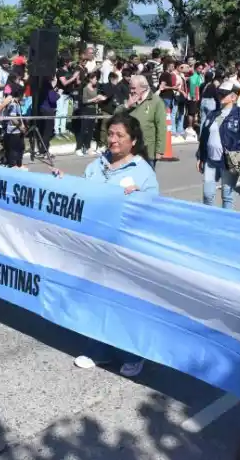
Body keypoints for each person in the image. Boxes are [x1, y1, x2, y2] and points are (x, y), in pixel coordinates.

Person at [57, 113, 158, 378]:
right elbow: (82, 191)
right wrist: (62, 180)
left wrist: (137, 200)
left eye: (119, 135)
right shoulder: (97, 164)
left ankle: (133, 354)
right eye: (110, 134)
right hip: (94, 245)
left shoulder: (142, 172)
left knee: (123, 301)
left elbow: (154, 213)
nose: (112, 140)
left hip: (124, 248)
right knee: (94, 296)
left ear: (133, 141)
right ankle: (98, 349)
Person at [196, 81, 240, 209]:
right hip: (210, 161)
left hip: (230, 160)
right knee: (208, 195)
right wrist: (200, 157)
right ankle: (208, 219)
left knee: (227, 196)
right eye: (219, 94)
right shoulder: (212, 114)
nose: (220, 96)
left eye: (224, 94)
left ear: (233, 97)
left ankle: (225, 223)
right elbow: (204, 138)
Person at [117, 75, 165, 168]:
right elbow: (115, 116)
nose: (131, 91)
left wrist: (159, 150)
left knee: (147, 180)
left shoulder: (156, 101)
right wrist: (127, 105)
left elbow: (161, 127)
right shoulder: (130, 100)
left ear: (143, 87)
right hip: (129, 151)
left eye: (133, 88)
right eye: (130, 88)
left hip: (147, 151)